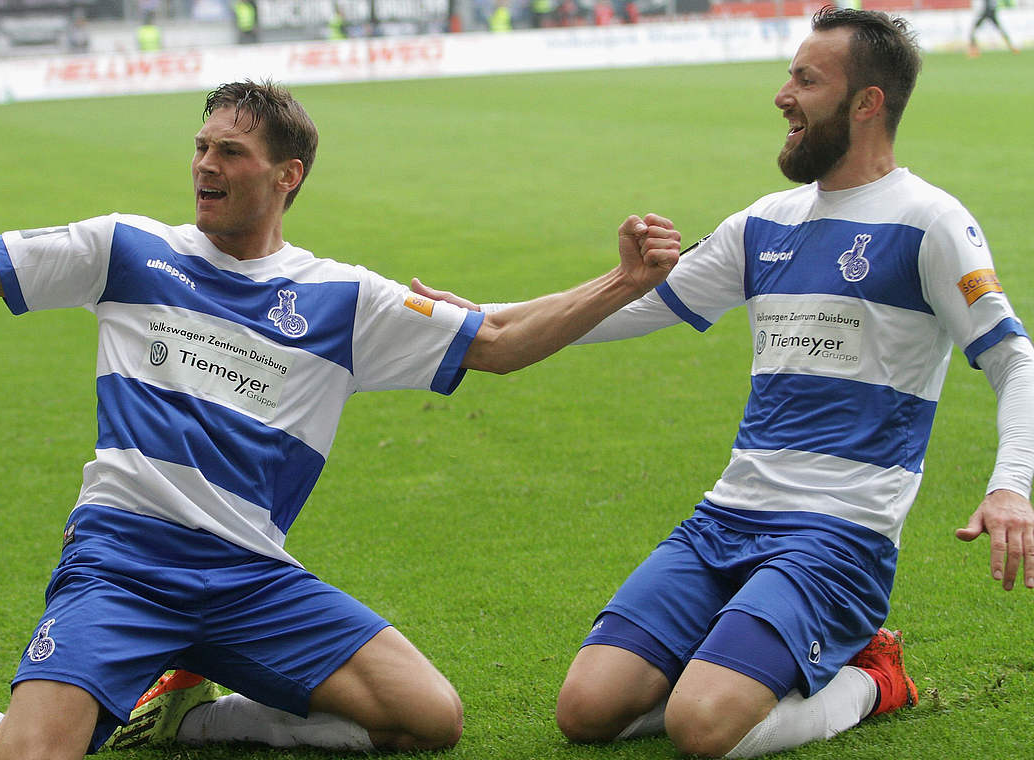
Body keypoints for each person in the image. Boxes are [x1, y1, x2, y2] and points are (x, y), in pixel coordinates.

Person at [0, 79, 680, 760]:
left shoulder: (343, 298)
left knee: (429, 718)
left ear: (285, 175)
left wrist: (620, 284)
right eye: (200, 146)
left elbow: (494, 340)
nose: (204, 164)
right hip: (125, 559)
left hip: (251, 577)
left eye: (229, 151)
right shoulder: (129, 248)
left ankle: (194, 719)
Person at [413, 8, 1034, 758]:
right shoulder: (762, 225)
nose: (783, 95)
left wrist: (1010, 486)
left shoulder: (932, 223)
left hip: (836, 536)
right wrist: (479, 316)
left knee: (702, 729)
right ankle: (739, 658)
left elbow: (1013, 360)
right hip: (726, 519)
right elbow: (628, 305)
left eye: (806, 80)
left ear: (867, 103)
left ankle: (873, 676)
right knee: (585, 710)